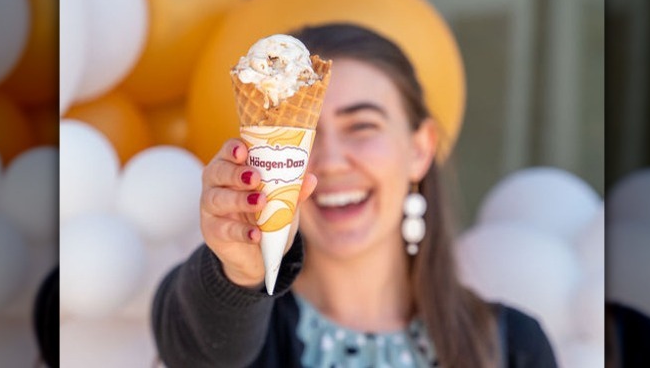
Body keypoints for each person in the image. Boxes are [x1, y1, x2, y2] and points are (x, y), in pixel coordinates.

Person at [152, 23, 557, 367]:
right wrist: (241, 276)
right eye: (306, 135)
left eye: (362, 126)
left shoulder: (514, 347)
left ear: (419, 149)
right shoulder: (246, 332)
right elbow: (198, 349)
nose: (330, 162)